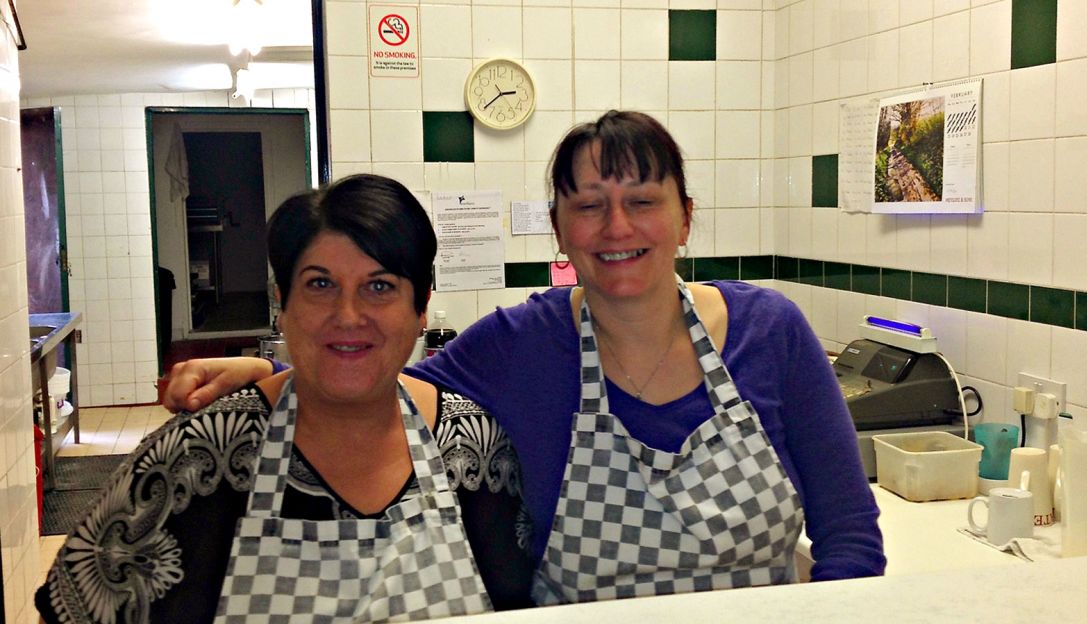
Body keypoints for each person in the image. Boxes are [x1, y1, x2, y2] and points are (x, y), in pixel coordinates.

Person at [163, 111, 885, 605]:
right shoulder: (520, 345)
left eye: (643, 200)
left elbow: (850, 539)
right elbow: (378, 376)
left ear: (685, 217)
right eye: (590, 205)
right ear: (560, 230)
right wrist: (269, 372)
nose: (618, 227)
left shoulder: (773, 332)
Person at [37, 175, 533, 623]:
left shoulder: (472, 448)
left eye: (380, 286)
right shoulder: (198, 455)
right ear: (284, 304)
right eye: (320, 284)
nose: (348, 315)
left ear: (421, 307)